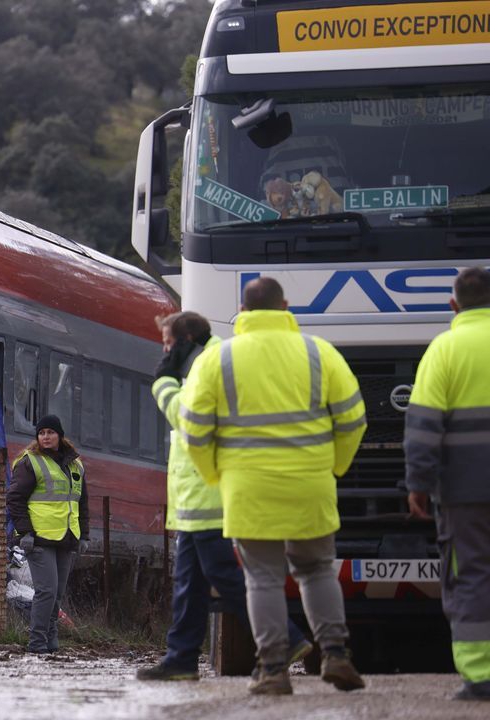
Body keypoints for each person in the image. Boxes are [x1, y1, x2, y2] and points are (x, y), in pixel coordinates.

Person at [179, 277, 367, 695]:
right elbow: (354, 419)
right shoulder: (320, 353)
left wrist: (215, 475)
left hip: (248, 490)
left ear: (243, 313)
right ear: (285, 306)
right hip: (310, 485)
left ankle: (274, 669)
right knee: (317, 569)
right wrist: (335, 466)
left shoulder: (218, 360)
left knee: (261, 577)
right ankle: (336, 654)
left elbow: (193, 430)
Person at [137, 311, 311, 682]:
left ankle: (285, 639)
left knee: (223, 577)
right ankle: (181, 659)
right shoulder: (210, 360)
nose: (164, 353)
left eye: (168, 345)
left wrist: (162, 384)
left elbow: (188, 420)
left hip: (208, 493)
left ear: (185, 343)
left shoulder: (206, 367)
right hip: (197, 495)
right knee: (189, 583)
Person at [404, 267, 490, 702]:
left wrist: (417, 482)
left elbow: (423, 427)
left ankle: (481, 676)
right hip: (464, 488)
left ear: (454, 305)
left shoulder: (445, 348)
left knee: (472, 574)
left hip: (465, 490)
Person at [7, 414, 89, 654]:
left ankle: (52, 641)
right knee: (47, 591)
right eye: (41, 433)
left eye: (50, 432)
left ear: (59, 435)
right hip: (39, 538)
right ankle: (37, 643)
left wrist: (84, 535)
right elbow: (14, 498)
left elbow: (82, 502)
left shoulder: (76, 464)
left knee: (58, 594)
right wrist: (25, 532)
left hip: (66, 537)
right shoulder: (29, 462)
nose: (45, 437)